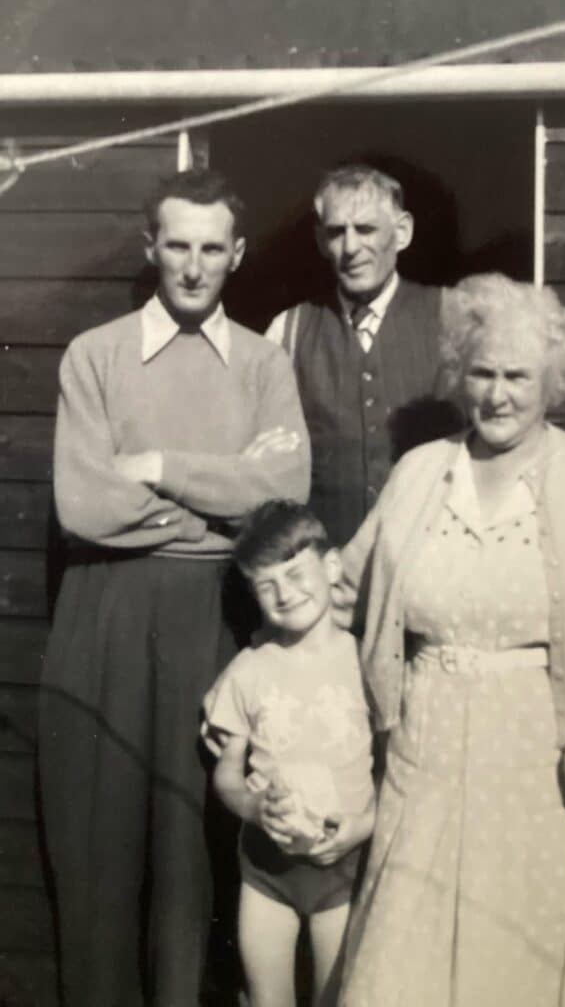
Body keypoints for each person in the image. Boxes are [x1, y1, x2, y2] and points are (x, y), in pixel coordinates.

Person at [337, 273, 565, 1006]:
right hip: (426, 763)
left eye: (518, 376)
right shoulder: (419, 474)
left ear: (552, 382)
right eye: (483, 373)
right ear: (460, 376)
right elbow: (345, 589)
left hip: (549, 768)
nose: (498, 394)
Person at [39, 169, 311, 1007]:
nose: (193, 268)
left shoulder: (264, 364)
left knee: (195, 850)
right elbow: (82, 505)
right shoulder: (97, 356)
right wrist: (216, 509)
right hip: (105, 619)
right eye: (177, 247)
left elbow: (285, 494)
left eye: (212, 249)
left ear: (236, 254)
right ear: (150, 247)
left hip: (216, 622)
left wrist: (159, 469)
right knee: (99, 848)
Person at [202, 500, 375, 1007]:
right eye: (266, 584)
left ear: (332, 566)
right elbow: (228, 776)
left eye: (296, 573)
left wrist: (362, 828)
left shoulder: (365, 663)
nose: (285, 593)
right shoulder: (250, 670)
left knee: (337, 995)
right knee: (265, 998)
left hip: (345, 870)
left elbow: (398, 769)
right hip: (266, 875)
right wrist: (254, 808)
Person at [266, 164, 460, 546]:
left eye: (366, 229)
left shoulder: (452, 316)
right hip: (328, 561)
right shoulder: (288, 329)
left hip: (429, 553)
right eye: (337, 232)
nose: (351, 248)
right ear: (321, 240)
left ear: (401, 232)